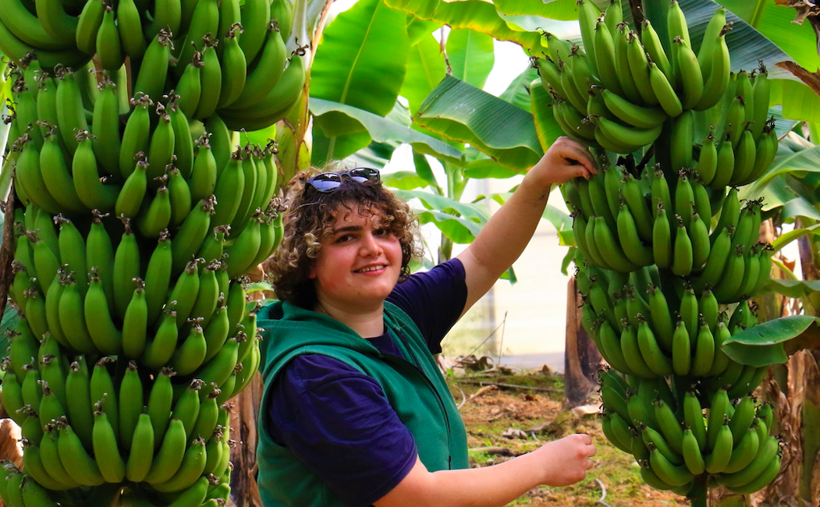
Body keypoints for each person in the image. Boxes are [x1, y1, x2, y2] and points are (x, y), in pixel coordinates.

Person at [256, 136, 599, 507]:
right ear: (307, 259)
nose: (372, 248)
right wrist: (540, 466)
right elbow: (416, 497)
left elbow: (483, 260)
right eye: (346, 237)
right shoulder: (317, 375)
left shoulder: (397, 314)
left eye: (382, 231)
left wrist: (538, 181)